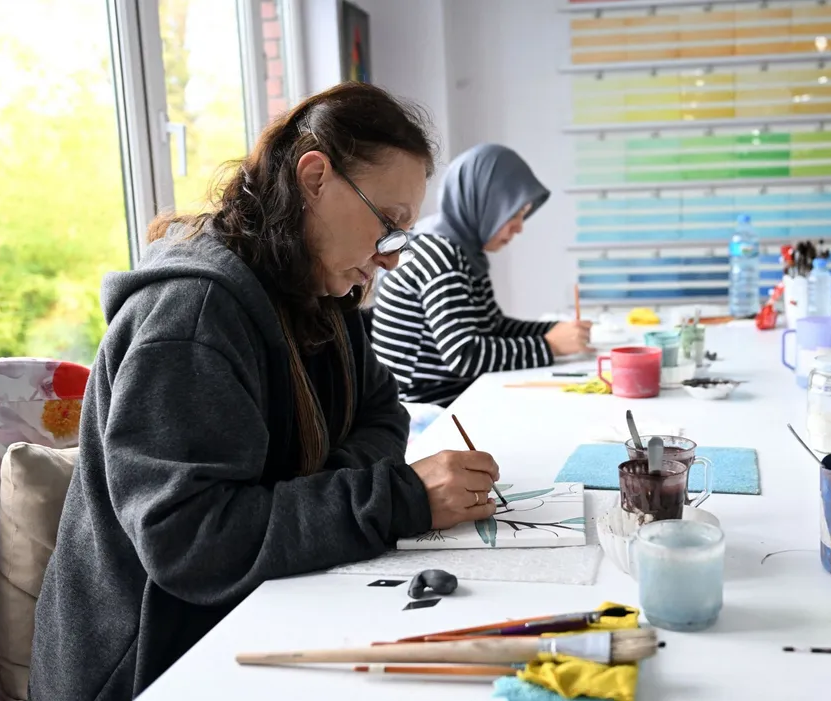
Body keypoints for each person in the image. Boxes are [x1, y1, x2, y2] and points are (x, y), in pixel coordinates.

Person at [29, 83, 503, 700]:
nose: (390, 258)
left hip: (248, 611)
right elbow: (193, 545)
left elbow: (382, 411)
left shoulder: (320, 293)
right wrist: (395, 499)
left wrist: (322, 496)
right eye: (387, 224)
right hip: (151, 667)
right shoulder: (191, 318)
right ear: (314, 177)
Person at [371, 144, 591, 406]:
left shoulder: (463, 249)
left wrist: (555, 330)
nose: (519, 227)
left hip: (455, 394)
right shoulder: (439, 253)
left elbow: (493, 326)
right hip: (424, 406)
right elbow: (464, 354)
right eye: (515, 213)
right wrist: (549, 345)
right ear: (488, 203)